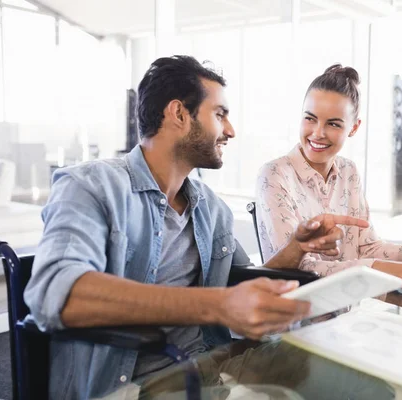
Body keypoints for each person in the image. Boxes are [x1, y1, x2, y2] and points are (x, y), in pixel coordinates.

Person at [24, 56, 369, 400]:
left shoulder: (210, 208)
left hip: (212, 369)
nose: (231, 130)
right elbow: (57, 291)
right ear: (179, 114)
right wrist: (215, 305)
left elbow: (241, 282)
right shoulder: (91, 186)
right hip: (131, 385)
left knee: (363, 384)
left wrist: (298, 247)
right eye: (220, 114)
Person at [255, 64, 402, 299]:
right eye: (310, 119)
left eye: (334, 124)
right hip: (297, 317)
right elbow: (293, 267)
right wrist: (379, 268)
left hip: (349, 310)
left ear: (354, 127)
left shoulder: (349, 171)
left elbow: (368, 248)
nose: (318, 133)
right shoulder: (275, 174)